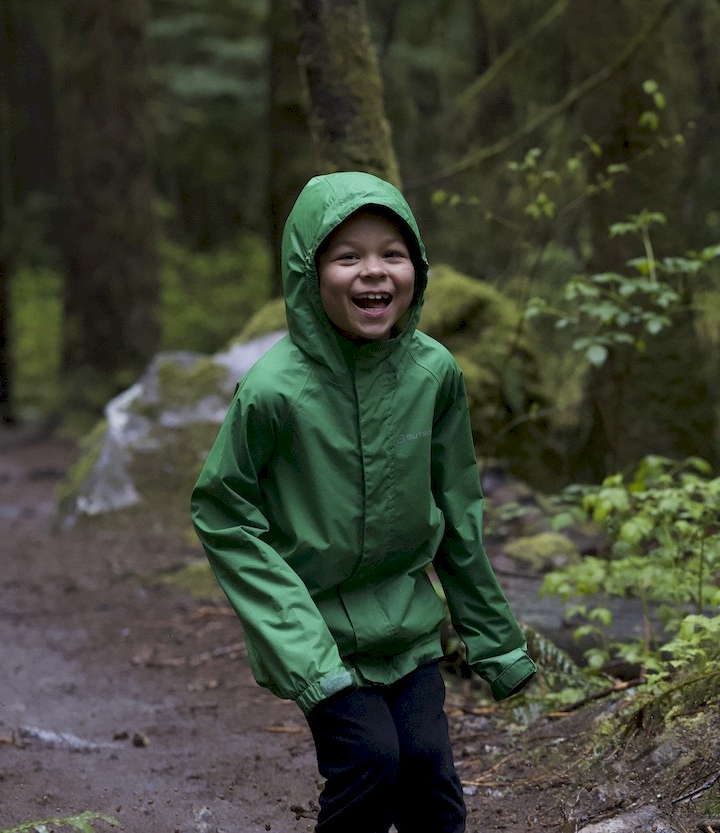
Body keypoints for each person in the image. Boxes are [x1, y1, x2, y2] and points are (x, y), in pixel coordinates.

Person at [190, 171, 537, 832]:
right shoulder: (273, 391)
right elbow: (222, 508)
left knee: (431, 777)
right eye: (348, 256)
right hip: (315, 632)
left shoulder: (434, 374)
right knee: (371, 763)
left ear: (418, 269)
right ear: (308, 272)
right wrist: (294, 636)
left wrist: (495, 642)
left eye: (393, 254)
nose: (373, 273)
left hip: (408, 625)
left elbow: (459, 512)